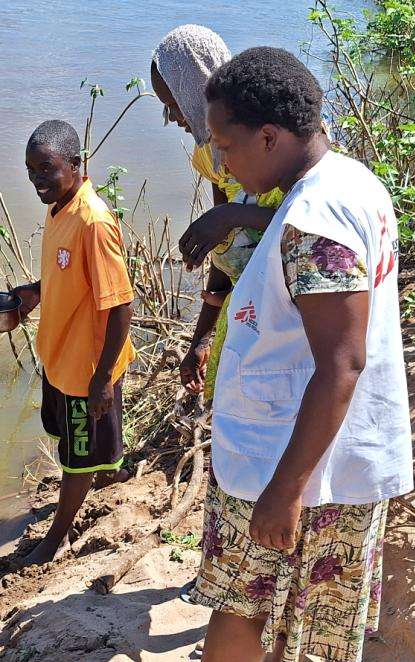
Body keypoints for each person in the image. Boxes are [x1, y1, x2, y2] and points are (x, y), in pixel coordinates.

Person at [121, 48, 413, 662]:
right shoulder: (347, 181)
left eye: (224, 143)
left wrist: (285, 490)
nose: (218, 157)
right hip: (319, 448)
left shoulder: (315, 218)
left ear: (270, 139)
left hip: (297, 457)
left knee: (243, 596)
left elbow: (339, 362)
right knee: (289, 582)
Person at [10, 120, 136, 566]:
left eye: (46, 168)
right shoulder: (59, 209)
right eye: (30, 171)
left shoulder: (93, 222)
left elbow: (120, 305)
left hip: (87, 370)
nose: (37, 180)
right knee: (76, 440)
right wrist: (36, 292)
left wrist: (102, 379)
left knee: (76, 458)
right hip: (60, 357)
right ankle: (114, 471)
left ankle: (57, 537)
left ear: (77, 164)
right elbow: (71, 276)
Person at [150, 24, 284, 399]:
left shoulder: (271, 138)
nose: (173, 117)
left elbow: (305, 221)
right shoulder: (211, 156)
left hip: (292, 305)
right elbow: (226, 248)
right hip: (249, 299)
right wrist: (201, 336)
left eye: (174, 103)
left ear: (198, 87)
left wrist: (229, 218)